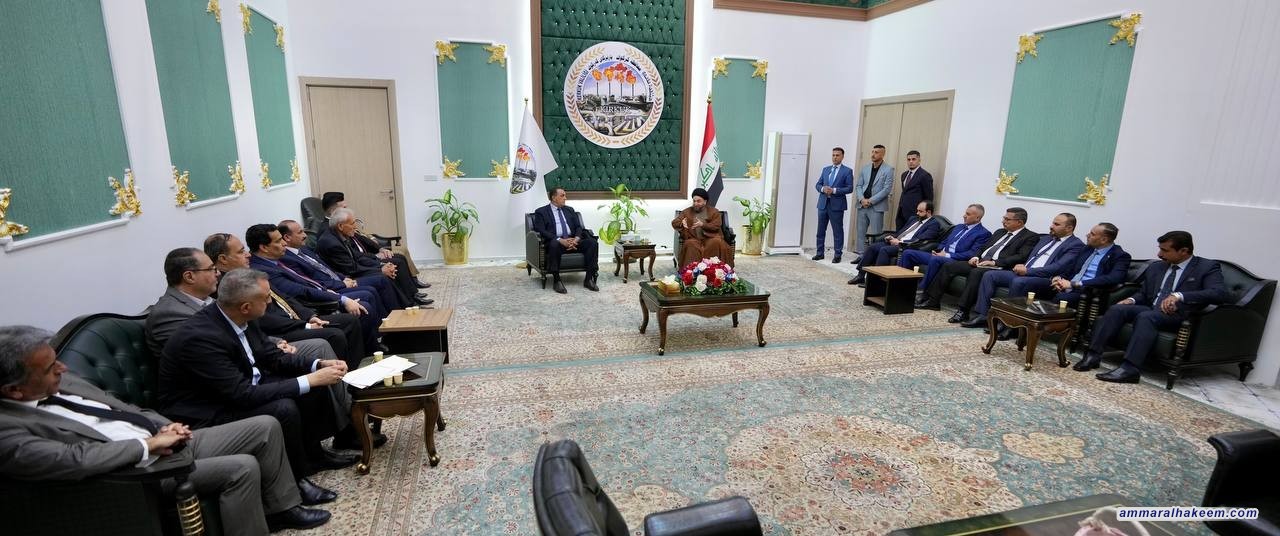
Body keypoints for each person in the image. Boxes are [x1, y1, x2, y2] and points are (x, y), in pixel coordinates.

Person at [0, 325, 334, 533]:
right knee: (242, 466)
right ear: (13, 390)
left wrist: (163, 425)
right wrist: (148, 446)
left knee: (265, 426)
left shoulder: (64, 381)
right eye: (50, 367)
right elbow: (74, 459)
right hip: (135, 474)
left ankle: (282, 508)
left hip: (161, 439)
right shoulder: (8, 430)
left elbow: (125, 408)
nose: (63, 368)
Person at [158, 269, 359, 482]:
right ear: (246, 306)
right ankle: (297, 478)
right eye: (265, 298)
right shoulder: (200, 338)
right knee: (284, 406)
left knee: (312, 387)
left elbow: (273, 356)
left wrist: (317, 364)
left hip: (241, 388)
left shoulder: (241, 316)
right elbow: (241, 394)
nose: (270, 302)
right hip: (208, 410)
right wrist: (310, 379)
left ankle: (315, 456)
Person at [146, 247, 339, 370]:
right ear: (189, 277)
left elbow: (242, 329)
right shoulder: (169, 314)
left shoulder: (206, 300)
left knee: (319, 347)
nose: (217, 274)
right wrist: (271, 348)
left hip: (253, 352)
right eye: (211, 269)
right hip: (223, 374)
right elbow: (205, 355)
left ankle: (347, 409)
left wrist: (276, 342)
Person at [1079, 231, 1227, 381]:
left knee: (1146, 317)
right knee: (1117, 309)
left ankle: (1129, 369)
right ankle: (1092, 355)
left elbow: (1218, 293)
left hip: (1180, 315)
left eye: (1165, 250)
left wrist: (1180, 296)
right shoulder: (1157, 267)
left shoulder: (1206, 267)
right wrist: (1131, 300)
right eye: (1160, 249)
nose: (1159, 254)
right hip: (1153, 308)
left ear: (1184, 251)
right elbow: (1145, 294)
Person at [962, 213, 1085, 329]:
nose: (1051, 226)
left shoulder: (1075, 245)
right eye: (1053, 223)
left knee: (1018, 282)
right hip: (1025, 272)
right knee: (990, 275)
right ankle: (983, 315)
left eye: (1056, 224)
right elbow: (1028, 256)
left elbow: (1057, 267)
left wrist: (1028, 271)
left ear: (1069, 228)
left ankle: (1008, 323)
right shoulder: (1045, 239)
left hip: (1046, 279)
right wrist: (1022, 266)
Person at [915, 207, 1038, 312]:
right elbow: (983, 247)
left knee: (976, 272)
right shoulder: (1000, 232)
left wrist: (994, 262)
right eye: (1003, 218)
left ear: (1019, 222)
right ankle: (933, 301)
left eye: (1007, 219)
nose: (1003, 221)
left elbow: (1021, 256)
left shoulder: (1030, 237)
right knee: (949, 266)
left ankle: (963, 310)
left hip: (998, 267)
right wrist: (975, 257)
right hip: (980, 262)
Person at [278, 219, 412, 309]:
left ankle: (400, 313)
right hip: (332, 288)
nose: (305, 235)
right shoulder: (287, 259)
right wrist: (342, 283)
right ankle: (389, 324)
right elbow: (312, 282)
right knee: (372, 289)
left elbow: (325, 268)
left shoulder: (304, 249)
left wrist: (343, 278)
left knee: (384, 277)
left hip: (341, 279)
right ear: (287, 237)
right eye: (300, 232)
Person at [317, 208, 428, 306]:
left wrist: (381, 264)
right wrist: (381, 270)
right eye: (352, 223)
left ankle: (408, 303)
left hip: (354, 269)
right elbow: (351, 269)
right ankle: (402, 308)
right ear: (341, 226)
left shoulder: (340, 235)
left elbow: (357, 257)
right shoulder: (331, 243)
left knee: (391, 267)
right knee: (383, 278)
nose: (355, 226)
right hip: (346, 278)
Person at [320, 191, 426, 285]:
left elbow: (361, 238)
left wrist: (380, 249)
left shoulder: (343, 223)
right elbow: (350, 261)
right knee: (397, 260)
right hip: (357, 263)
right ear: (334, 211)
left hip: (363, 257)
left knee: (399, 256)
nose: (347, 210)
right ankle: (411, 290)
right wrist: (377, 260)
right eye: (344, 208)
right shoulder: (330, 229)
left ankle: (413, 285)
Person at [898, 204, 991, 291]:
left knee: (936, 260)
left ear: (977, 217)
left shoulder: (983, 233)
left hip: (955, 260)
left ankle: (920, 290)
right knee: (908, 253)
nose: (964, 216)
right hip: (940, 255)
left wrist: (946, 255)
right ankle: (901, 286)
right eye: (965, 213)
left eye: (968, 214)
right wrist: (938, 250)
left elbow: (972, 253)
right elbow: (944, 241)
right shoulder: (958, 227)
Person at [848, 200, 941, 286]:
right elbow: (901, 232)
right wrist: (892, 237)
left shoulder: (934, 224)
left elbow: (922, 239)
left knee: (884, 250)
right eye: (917, 210)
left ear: (929, 212)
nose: (917, 213)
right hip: (896, 241)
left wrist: (900, 242)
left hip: (907, 246)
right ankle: (860, 276)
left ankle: (876, 282)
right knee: (872, 247)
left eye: (920, 211)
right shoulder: (914, 219)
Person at [532, 187, 600, 294]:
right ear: (554, 198)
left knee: (592, 243)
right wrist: (560, 240)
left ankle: (588, 279)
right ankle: (557, 280)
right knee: (554, 244)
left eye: (565, 195)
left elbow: (578, 227)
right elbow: (541, 230)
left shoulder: (569, 210)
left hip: (573, 240)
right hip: (557, 242)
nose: (565, 198)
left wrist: (576, 239)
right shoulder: (541, 212)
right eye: (562, 195)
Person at [1048, 223, 1131, 308]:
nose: (1087, 235)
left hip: (1089, 291)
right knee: (1039, 283)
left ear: (1103, 239)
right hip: (1067, 285)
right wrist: (1058, 278)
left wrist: (1074, 284)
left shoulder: (1120, 256)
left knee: (1061, 298)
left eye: (1092, 234)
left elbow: (1113, 278)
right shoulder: (1087, 249)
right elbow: (1070, 268)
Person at [852, 144, 895, 262]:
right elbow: (859, 186)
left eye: (876, 152)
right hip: (862, 205)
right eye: (872, 152)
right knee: (860, 232)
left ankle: (874, 257)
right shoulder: (865, 168)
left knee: (876, 234)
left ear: (883, 154)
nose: (873, 154)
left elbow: (886, 189)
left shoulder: (888, 170)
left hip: (876, 206)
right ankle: (861, 256)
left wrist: (870, 201)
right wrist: (862, 199)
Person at [812, 147, 853, 263]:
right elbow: (818, 184)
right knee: (820, 231)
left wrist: (834, 190)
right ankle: (819, 253)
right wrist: (822, 189)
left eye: (837, 155)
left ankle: (837, 255)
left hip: (837, 206)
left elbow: (849, 188)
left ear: (842, 156)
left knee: (837, 231)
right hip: (823, 204)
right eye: (833, 155)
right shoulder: (826, 169)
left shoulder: (847, 171)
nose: (835, 157)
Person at [673, 188, 733, 267]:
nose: (695, 203)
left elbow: (716, 225)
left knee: (716, 242)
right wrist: (681, 223)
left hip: (711, 238)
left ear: (705, 201)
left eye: (698, 201)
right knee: (689, 244)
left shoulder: (714, 211)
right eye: (694, 201)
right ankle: (691, 270)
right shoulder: (686, 212)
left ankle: (715, 269)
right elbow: (674, 222)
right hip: (694, 239)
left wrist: (702, 225)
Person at [895, 150, 934, 230]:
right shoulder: (904, 175)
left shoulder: (925, 175)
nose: (911, 161)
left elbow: (929, 197)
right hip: (901, 212)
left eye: (913, 159)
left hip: (915, 213)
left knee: (910, 236)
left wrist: (923, 214)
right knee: (899, 234)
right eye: (908, 159)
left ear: (919, 160)